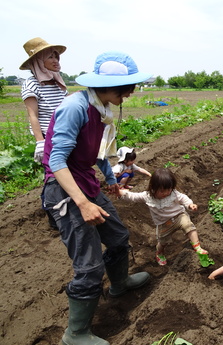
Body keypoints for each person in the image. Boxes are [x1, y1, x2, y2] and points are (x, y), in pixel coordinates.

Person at [41, 51, 152, 345]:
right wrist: (83, 203)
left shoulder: (103, 109)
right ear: (105, 86)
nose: (130, 93)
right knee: (89, 266)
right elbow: (57, 161)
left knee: (117, 235)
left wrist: (112, 180)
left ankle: (119, 284)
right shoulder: (75, 108)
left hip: (86, 182)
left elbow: (101, 153)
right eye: (126, 88)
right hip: (64, 189)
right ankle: (75, 334)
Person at [119, 168, 208, 266]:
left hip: (179, 216)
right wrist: (120, 193)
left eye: (168, 190)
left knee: (189, 226)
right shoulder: (147, 196)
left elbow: (183, 198)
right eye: (162, 191)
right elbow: (132, 197)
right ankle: (160, 252)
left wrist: (190, 204)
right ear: (153, 187)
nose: (166, 193)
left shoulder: (173, 194)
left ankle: (197, 247)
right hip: (164, 223)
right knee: (163, 241)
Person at [20, 37, 68, 163]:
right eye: (50, 57)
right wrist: (40, 142)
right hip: (49, 137)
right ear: (39, 61)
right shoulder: (32, 84)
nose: (56, 61)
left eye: (56, 56)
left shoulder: (58, 82)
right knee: (55, 172)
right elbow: (33, 115)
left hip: (66, 134)